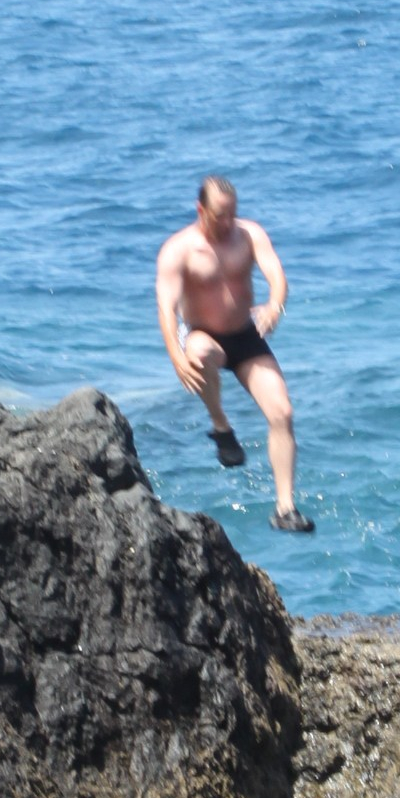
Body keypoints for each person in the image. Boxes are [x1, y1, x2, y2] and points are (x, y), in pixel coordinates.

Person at [155, 175, 313, 531]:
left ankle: (285, 509)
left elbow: (277, 276)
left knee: (282, 412)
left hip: (245, 335)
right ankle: (221, 426)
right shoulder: (178, 250)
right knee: (198, 354)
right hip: (203, 335)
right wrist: (176, 356)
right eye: (219, 215)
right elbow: (166, 309)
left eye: (232, 213)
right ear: (200, 210)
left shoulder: (249, 234)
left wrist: (275, 305)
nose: (228, 222)